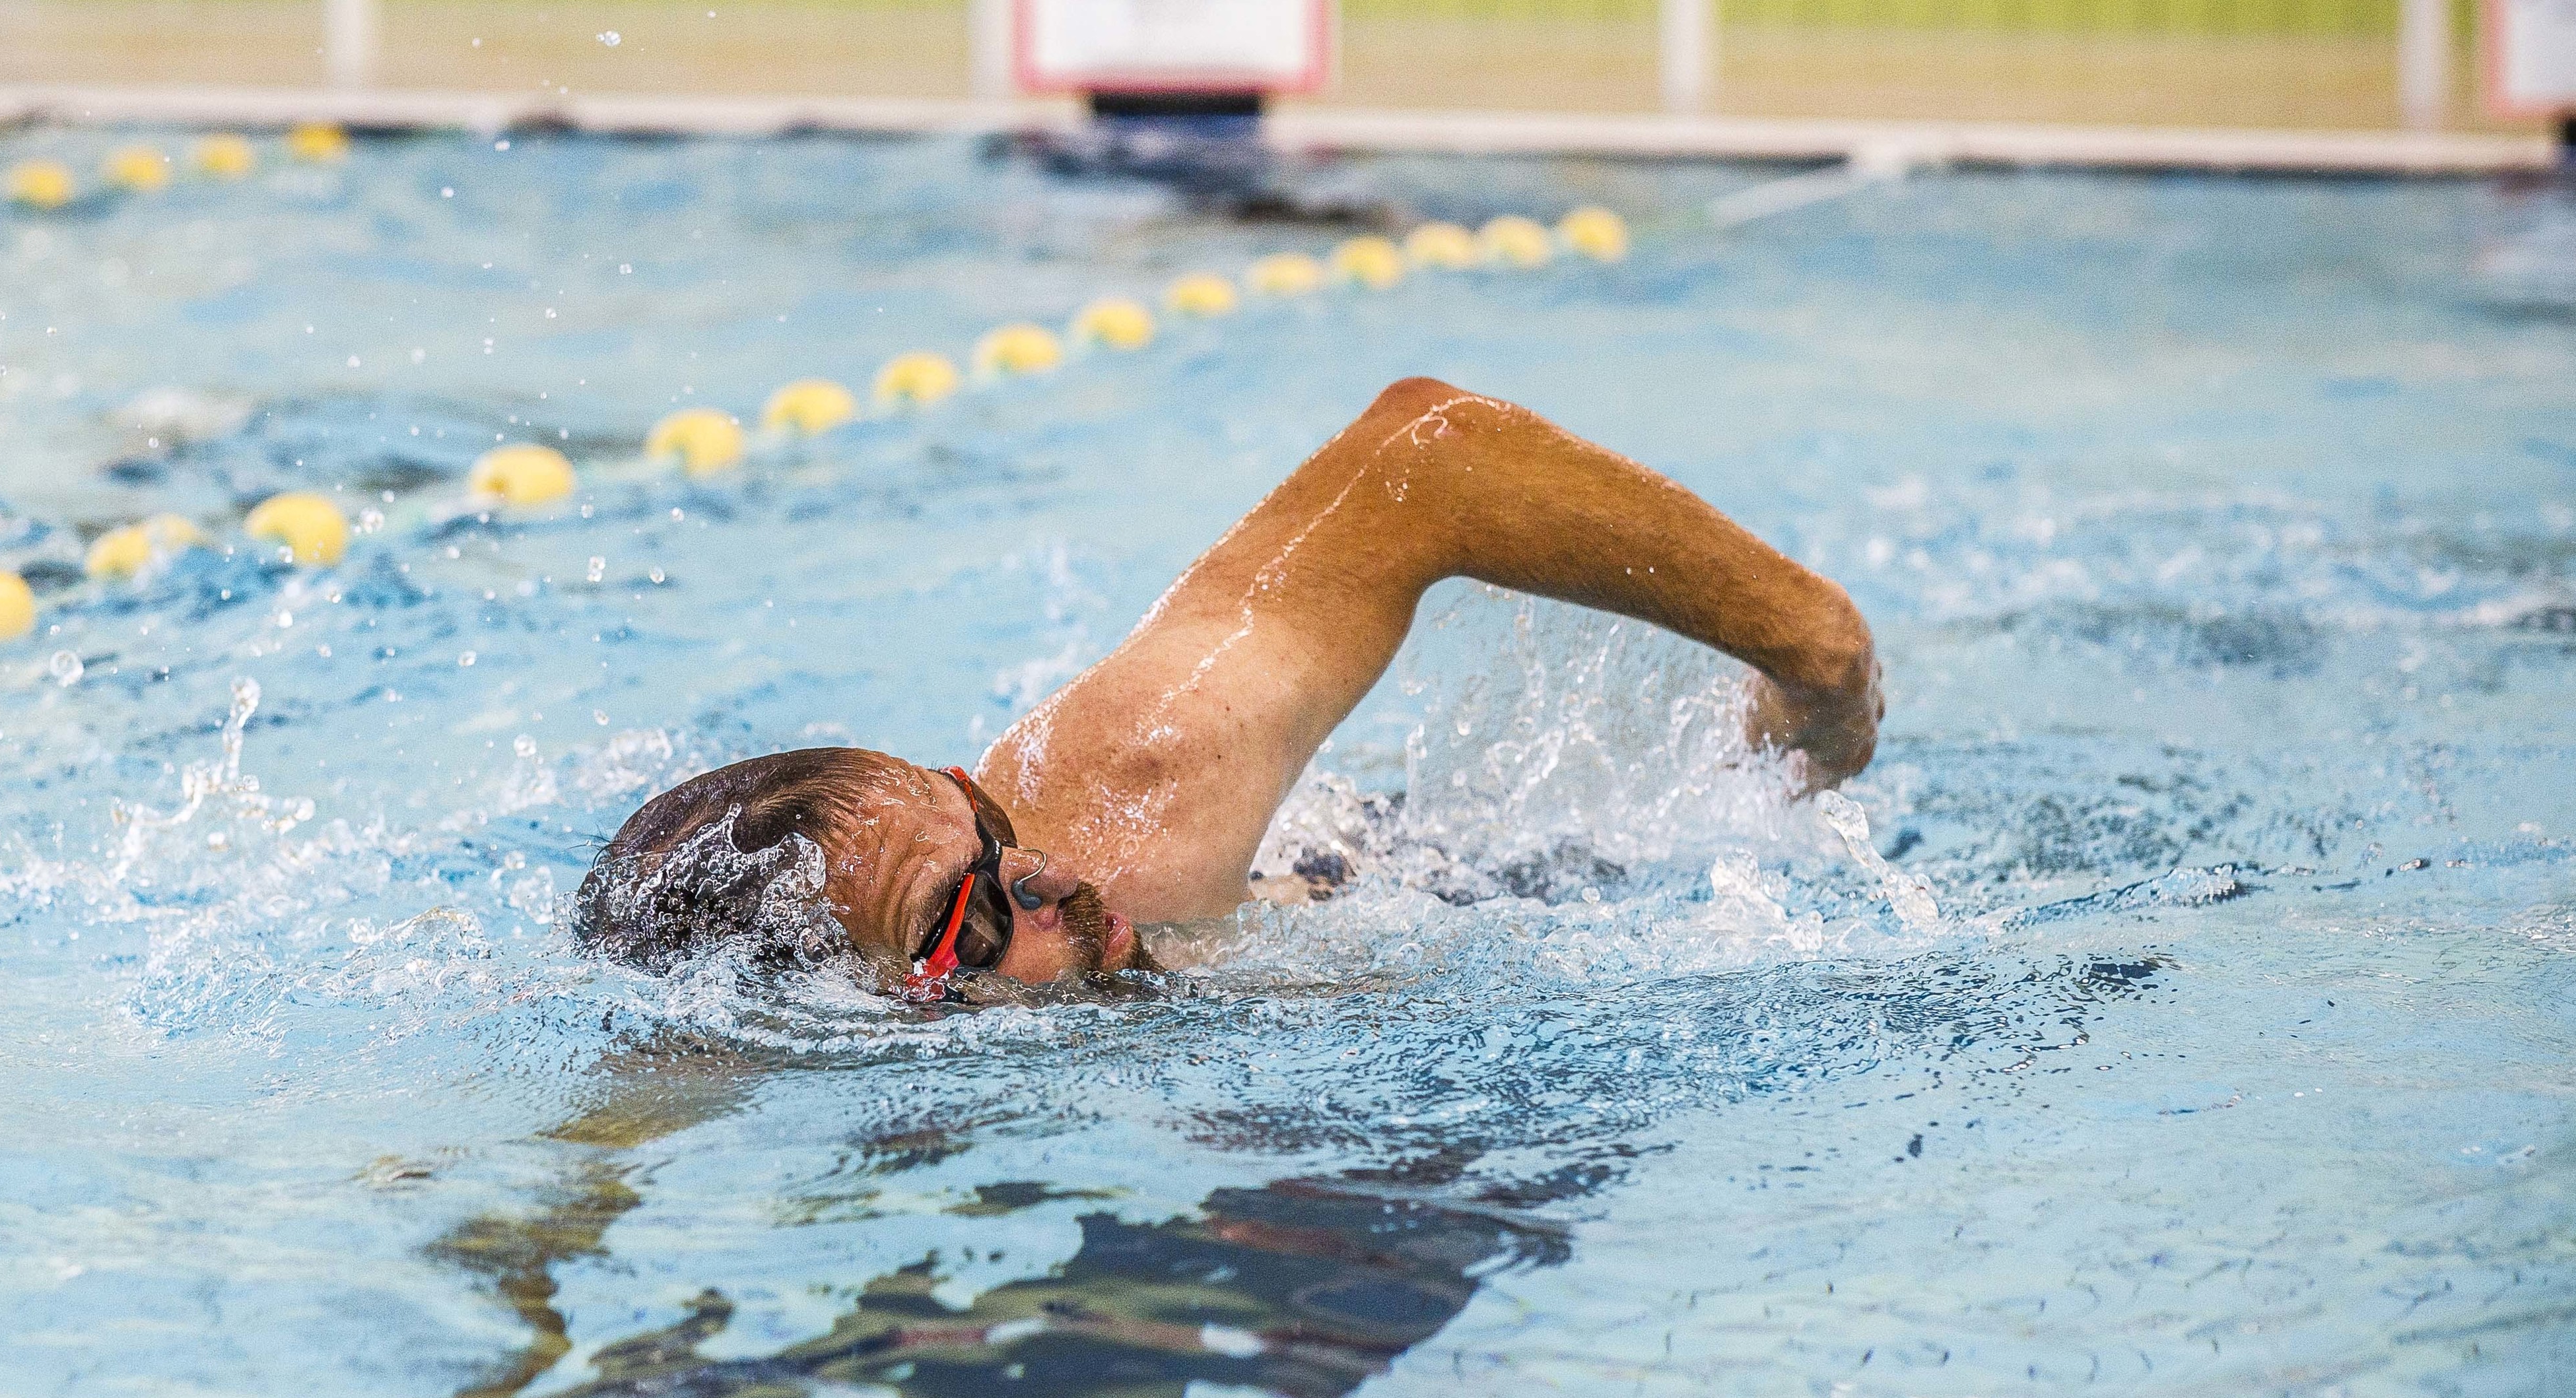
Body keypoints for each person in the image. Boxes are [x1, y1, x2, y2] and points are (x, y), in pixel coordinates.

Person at [573, 378, 1881, 999]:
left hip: (1409, 881)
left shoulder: (1136, 798)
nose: (1047, 882)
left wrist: (1813, 655)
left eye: (986, 837)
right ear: (859, 1002)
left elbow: (1428, 456)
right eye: (962, 918)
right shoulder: (817, 1021)